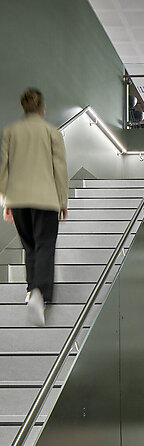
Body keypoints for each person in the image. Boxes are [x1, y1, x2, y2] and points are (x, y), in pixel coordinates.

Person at [0, 89, 68, 326]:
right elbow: (59, 168)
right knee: (45, 245)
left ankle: (31, 289)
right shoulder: (51, 132)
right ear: (42, 108)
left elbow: (3, 168)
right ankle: (40, 294)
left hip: (18, 199)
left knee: (30, 247)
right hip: (45, 198)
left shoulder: (10, 132)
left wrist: (5, 200)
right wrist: (62, 200)